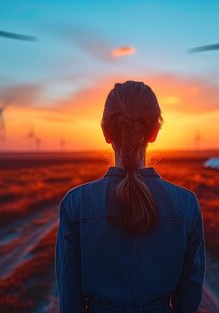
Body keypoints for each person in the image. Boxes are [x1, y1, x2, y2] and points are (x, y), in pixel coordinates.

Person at [55, 81, 205, 313]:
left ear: (106, 132)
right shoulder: (186, 205)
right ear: (154, 132)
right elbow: (189, 297)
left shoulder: (76, 205)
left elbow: (69, 298)